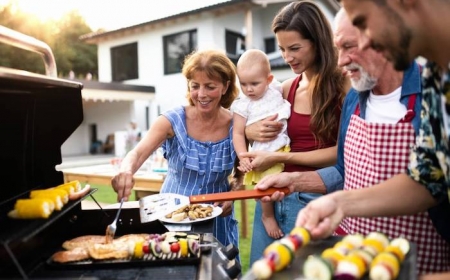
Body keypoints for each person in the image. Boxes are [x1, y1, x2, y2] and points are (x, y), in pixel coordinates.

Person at [255, 8, 450, 274]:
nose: (341, 61)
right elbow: (423, 179)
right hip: (358, 256)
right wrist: (296, 181)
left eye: (350, 45)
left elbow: (430, 186)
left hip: (423, 259)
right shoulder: (355, 100)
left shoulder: (429, 89)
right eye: (338, 48)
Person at [242, 1, 347, 266]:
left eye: (295, 48)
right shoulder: (286, 87)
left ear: (317, 42)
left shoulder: (343, 84)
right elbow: (248, 116)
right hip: (272, 198)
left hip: (312, 200)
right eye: (281, 49)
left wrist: (283, 160)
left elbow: (344, 153)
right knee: (262, 272)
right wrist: (248, 129)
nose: (287, 57)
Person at [111, 49, 242, 257]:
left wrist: (233, 194)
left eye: (210, 86)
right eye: (195, 86)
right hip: (172, 218)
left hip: (218, 221)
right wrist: (126, 171)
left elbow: (242, 172)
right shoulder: (172, 120)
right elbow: (137, 153)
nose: (201, 94)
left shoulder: (236, 124)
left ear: (225, 86)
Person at [232, 49, 291, 239]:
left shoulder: (276, 88)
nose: (249, 89)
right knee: (264, 187)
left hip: (285, 146)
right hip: (262, 151)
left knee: (283, 188)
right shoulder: (242, 104)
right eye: (243, 84)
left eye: (254, 84)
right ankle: (267, 216)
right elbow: (238, 133)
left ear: (269, 79)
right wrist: (243, 156)